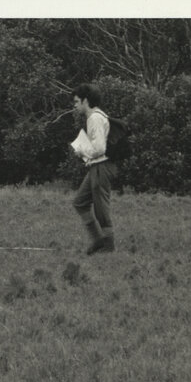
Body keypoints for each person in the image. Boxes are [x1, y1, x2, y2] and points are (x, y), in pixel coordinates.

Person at [70, 83, 117, 255]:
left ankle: (108, 246)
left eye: (77, 102)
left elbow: (99, 149)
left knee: (101, 208)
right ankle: (97, 240)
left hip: (102, 166)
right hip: (96, 166)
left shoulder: (95, 118)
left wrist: (81, 150)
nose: (75, 105)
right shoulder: (94, 118)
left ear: (85, 101)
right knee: (80, 202)